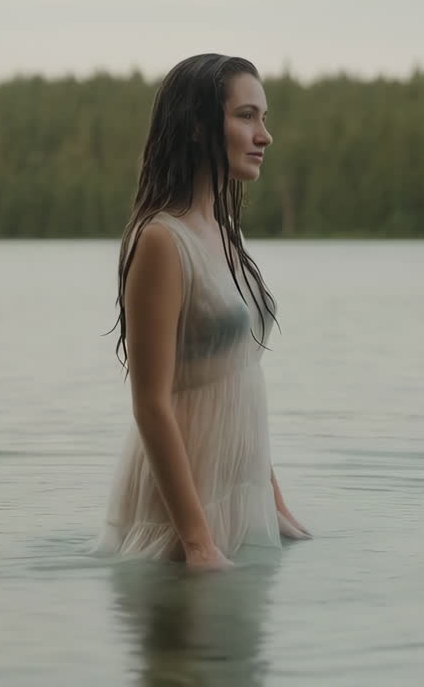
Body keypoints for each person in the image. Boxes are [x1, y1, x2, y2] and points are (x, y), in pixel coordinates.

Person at [91, 54, 310, 570]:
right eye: (246, 116)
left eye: (264, 117)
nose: (264, 135)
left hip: (236, 497)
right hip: (180, 515)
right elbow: (150, 402)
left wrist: (274, 504)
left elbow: (239, 375)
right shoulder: (163, 241)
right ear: (196, 127)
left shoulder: (226, 234)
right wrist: (197, 542)